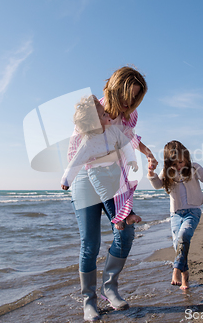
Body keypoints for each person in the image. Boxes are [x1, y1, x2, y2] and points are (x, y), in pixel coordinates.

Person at [65, 66, 158, 321]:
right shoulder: (94, 110)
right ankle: (89, 300)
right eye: (128, 95)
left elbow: (129, 137)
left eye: (136, 97)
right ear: (116, 89)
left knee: (126, 231)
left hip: (111, 175)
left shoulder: (131, 115)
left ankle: (110, 285)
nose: (130, 102)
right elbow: (84, 149)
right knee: (90, 244)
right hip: (86, 174)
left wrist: (147, 152)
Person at [148, 140, 203, 290]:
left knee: (184, 235)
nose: (178, 166)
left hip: (192, 211)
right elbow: (157, 185)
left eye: (181, 162)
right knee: (178, 244)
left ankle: (176, 270)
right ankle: (185, 276)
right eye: (174, 164)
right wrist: (151, 173)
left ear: (186, 158)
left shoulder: (194, 168)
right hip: (175, 214)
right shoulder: (168, 171)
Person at [61, 95, 141, 230]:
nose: (108, 115)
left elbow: (126, 144)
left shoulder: (113, 131)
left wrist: (132, 160)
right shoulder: (88, 142)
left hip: (114, 168)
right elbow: (77, 161)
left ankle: (130, 214)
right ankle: (117, 219)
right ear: (95, 122)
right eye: (104, 114)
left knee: (123, 190)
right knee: (108, 195)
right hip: (97, 174)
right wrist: (66, 180)